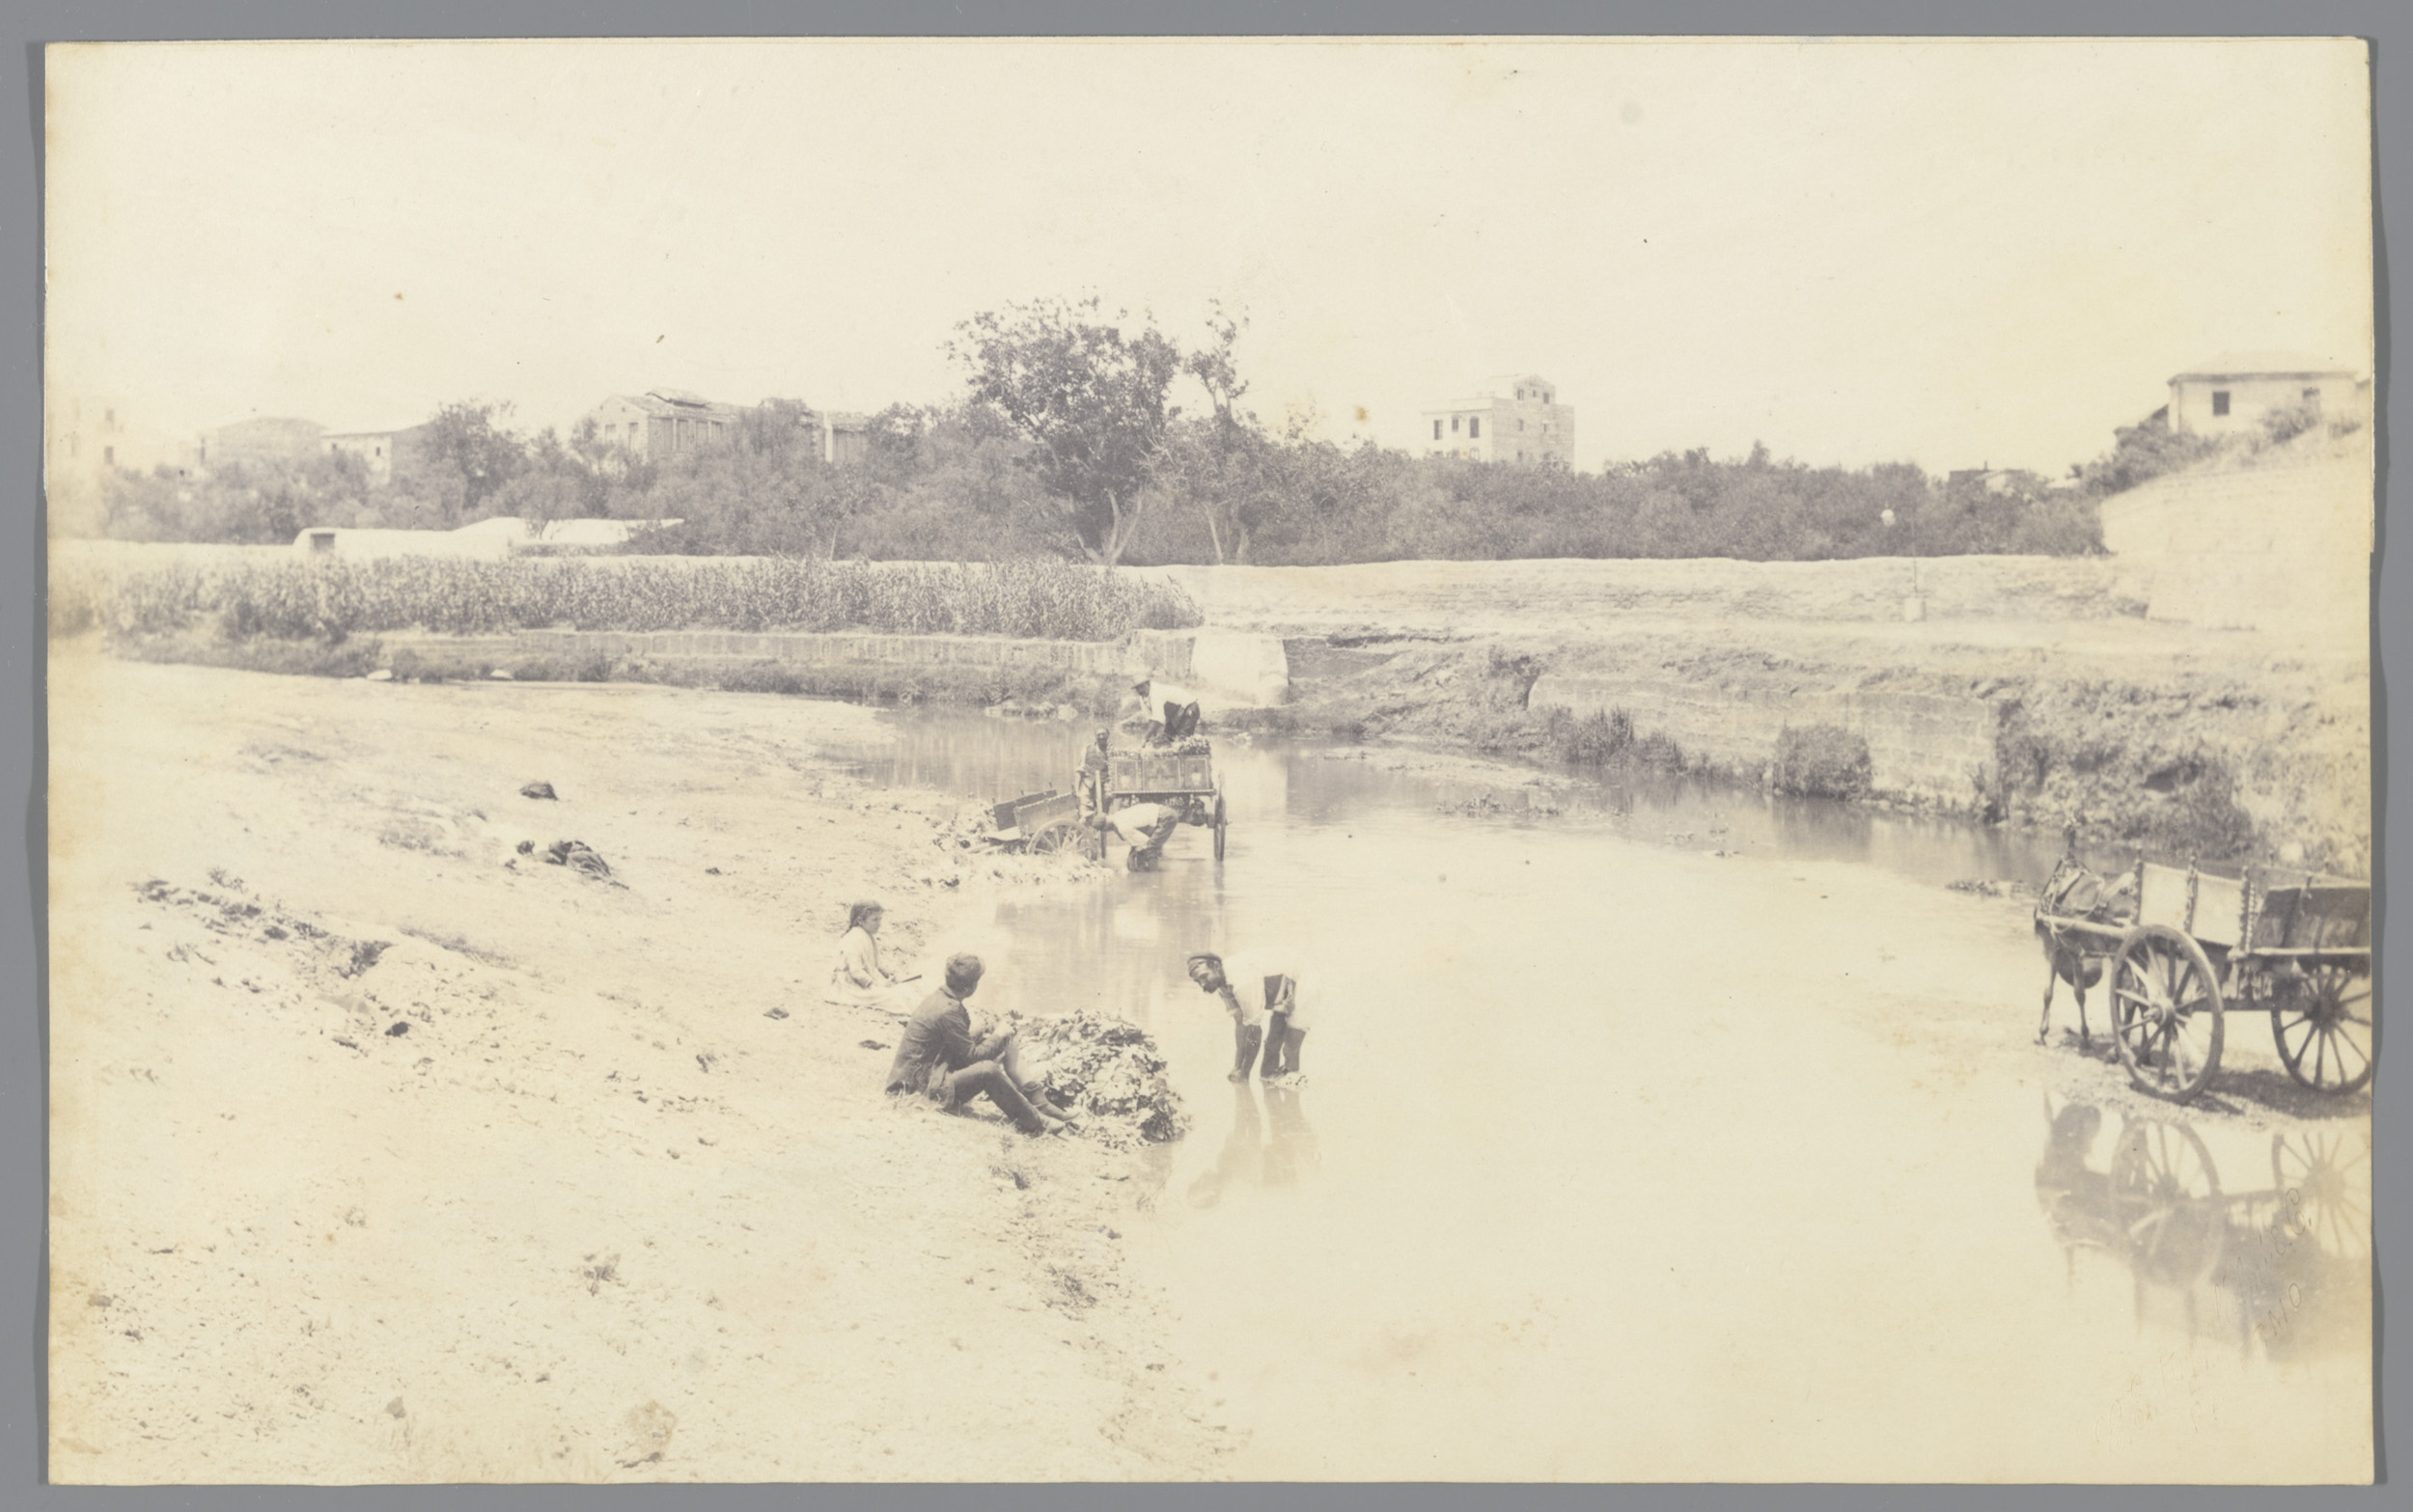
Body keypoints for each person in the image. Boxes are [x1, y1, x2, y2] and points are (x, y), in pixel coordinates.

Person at [884, 953, 1075, 1136]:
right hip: (918, 1088)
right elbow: (972, 1057)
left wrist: (997, 1036)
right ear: (970, 988)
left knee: (1006, 1044)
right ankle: (1037, 1122)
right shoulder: (948, 1010)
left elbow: (958, 1045)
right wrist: (997, 1034)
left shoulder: (941, 997)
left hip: (931, 1071)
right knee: (987, 1070)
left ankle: (1042, 1104)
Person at [1186, 951, 1308, 1085]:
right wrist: (1237, 1067)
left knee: (1290, 1051)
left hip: (1302, 979)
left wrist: (1244, 1072)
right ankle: (1273, 1089)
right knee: (1268, 1068)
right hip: (1283, 988)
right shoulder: (1221, 984)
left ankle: (1294, 1082)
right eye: (1198, 981)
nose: (1202, 984)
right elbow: (1241, 1024)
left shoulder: (1241, 982)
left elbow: (1254, 1032)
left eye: (1204, 977)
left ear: (1216, 966)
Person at [824, 901, 905, 1009]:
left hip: (864, 980)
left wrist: (888, 974)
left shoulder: (868, 935)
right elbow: (856, 971)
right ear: (860, 921)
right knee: (894, 997)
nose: (879, 924)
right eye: (875, 920)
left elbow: (876, 964)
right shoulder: (853, 939)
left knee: (902, 989)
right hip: (849, 985)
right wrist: (875, 985)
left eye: (880, 919)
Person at [1089, 801, 1181, 869]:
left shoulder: (1122, 826)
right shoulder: (1118, 815)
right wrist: (1133, 854)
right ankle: (1147, 871)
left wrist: (1132, 855)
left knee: (1151, 848)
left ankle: (1154, 879)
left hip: (1166, 818)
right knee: (1146, 848)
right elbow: (1138, 839)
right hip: (1164, 813)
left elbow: (1145, 842)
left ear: (1106, 828)